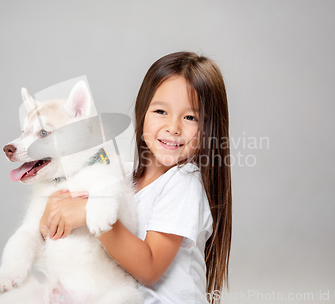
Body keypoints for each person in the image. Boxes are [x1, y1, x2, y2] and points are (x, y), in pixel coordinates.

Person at [40, 51, 232, 304]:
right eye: (161, 111)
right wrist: (49, 221)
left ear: (209, 127)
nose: (173, 127)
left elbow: (150, 268)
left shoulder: (184, 181)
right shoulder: (121, 173)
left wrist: (90, 212)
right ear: (143, 111)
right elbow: (71, 234)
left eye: (190, 117)